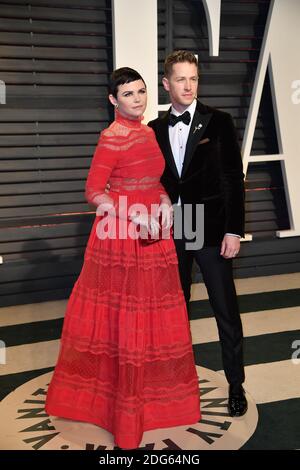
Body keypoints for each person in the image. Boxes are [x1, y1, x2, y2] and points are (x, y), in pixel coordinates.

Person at [45, 67, 200, 449]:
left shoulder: (148, 132)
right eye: (128, 94)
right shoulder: (110, 137)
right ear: (113, 100)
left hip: (154, 232)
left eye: (142, 91)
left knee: (153, 315)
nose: (138, 99)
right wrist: (133, 213)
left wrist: (163, 201)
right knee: (120, 317)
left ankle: (152, 400)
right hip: (120, 237)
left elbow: (154, 179)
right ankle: (113, 407)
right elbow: (94, 191)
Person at [148, 51, 248, 417]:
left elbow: (232, 179)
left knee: (226, 310)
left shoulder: (218, 121)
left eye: (193, 78)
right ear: (167, 83)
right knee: (174, 312)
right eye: (181, 79)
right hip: (174, 228)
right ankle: (174, 384)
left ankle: (235, 385)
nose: (188, 86)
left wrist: (234, 230)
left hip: (211, 227)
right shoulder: (154, 130)